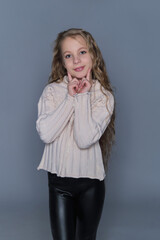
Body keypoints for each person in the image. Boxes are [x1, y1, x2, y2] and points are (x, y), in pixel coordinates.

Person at [36, 28, 115, 240]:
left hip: (91, 186)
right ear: (62, 62)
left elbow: (84, 138)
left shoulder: (103, 97)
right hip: (59, 186)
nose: (76, 60)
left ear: (93, 55)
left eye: (82, 52)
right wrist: (70, 98)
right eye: (68, 55)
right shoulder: (52, 92)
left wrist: (83, 97)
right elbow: (46, 133)